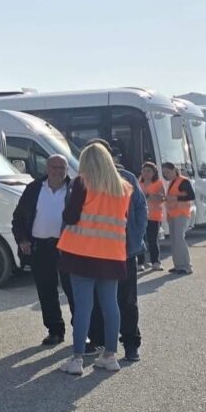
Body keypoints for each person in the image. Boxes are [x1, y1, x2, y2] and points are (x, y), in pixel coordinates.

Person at [56, 142, 133, 375]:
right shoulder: (124, 188)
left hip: (82, 252)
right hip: (112, 253)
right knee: (111, 305)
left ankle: (77, 359)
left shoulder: (82, 183)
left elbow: (70, 216)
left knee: (83, 307)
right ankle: (110, 355)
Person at [87, 150, 148, 363]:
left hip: (124, 251)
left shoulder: (128, 178)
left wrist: (136, 237)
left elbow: (141, 208)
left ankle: (131, 344)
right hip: (97, 251)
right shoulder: (87, 181)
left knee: (127, 300)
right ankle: (99, 339)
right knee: (96, 298)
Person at [11, 154, 74, 346]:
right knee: (46, 292)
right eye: (54, 167)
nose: (58, 171)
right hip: (41, 248)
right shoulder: (34, 189)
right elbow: (18, 217)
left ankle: (82, 331)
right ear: (47, 169)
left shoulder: (74, 190)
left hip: (68, 248)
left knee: (73, 291)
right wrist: (22, 239)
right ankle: (55, 330)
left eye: (62, 168)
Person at [161, 162, 195, 274]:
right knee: (175, 240)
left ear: (174, 170)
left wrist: (174, 197)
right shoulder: (171, 182)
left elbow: (191, 195)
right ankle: (178, 265)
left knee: (179, 239)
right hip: (172, 214)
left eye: (167, 172)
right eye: (164, 172)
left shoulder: (183, 181)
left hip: (181, 213)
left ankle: (186, 266)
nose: (166, 174)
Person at [137, 162, 165, 271]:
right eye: (144, 171)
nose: (146, 173)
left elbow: (163, 197)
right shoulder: (138, 183)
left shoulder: (158, 183)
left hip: (154, 216)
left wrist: (150, 196)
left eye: (149, 171)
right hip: (141, 216)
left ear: (154, 173)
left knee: (153, 240)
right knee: (140, 240)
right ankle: (141, 262)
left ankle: (156, 262)